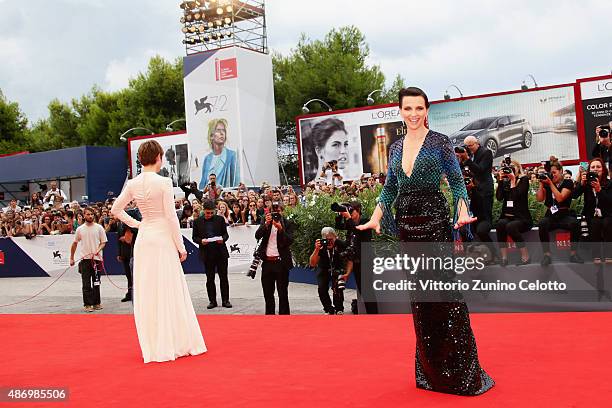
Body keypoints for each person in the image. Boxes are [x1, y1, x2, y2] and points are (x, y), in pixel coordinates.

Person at [357, 87, 494, 395]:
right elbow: (391, 188)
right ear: (401, 111)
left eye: (419, 108)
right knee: (421, 299)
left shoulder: (440, 143)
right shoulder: (395, 148)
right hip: (407, 224)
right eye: (408, 109)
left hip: (433, 221)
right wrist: (378, 216)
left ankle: (460, 372)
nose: (414, 114)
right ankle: (432, 371)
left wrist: (462, 211)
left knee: (445, 296)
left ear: (427, 110)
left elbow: (457, 181)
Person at [111, 140, 206, 363]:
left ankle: (156, 345)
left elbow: (116, 209)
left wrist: (137, 225)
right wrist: (181, 247)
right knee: (169, 287)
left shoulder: (133, 183)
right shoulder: (163, 181)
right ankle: (175, 342)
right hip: (162, 237)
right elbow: (172, 217)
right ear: (158, 158)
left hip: (145, 238)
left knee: (149, 290)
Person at [536, 160, 583, 266]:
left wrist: (550, 184)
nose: (552, 175)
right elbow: (539, 199)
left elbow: (560, 198)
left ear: (561, 171)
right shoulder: (547, 184)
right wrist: (541, 184)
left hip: (564, 214)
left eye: (554, 173)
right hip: (551, 215)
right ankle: (546, 255)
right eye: (550, 173)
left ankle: (573, 254)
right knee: (542, 223)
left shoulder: (568, 182)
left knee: (574, 224)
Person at [456, 136, 496, 262]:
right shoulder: (470, 155)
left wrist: (467, 159)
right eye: (466, 146)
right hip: (475, 194)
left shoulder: (486, 153)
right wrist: (461, 159)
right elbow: (466, 171)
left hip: (484, 193)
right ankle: (472, 256)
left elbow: (480, 170)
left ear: (477, 143)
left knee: (481, 229)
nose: (468, 148)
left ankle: (493, 256)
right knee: (464, 229)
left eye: (470, 145)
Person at [336, 200, 378, 314]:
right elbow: (338, 226)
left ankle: (374, 314)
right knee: (362, 289)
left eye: (351, 211)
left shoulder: (365, 221)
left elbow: (358, 230)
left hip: (366, 260)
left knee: (368, 290)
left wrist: (349, 218)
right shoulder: (350, 224)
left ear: (358, 210)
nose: (350, 213)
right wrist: (339, 214)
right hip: (356, 260)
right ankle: (371, 313)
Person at [255, 201, 294, 315]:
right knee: (267, 293)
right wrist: (266, 224)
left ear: (282, 212)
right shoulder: (265, 221)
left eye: (278, 211)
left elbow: (289, 241)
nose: (276, 214)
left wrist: (281, 229)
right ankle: (270, 316)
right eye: (274, 212)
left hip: (281, 263)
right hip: (267, 262)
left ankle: (284, 317)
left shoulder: (288, 223)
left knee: (282, 293)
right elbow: (257, 236)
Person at [192, 199, 232, 309]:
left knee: (223, 277)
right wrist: (201, 241)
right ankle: (212, 301)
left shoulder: (219, 220)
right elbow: (194, 237)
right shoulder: (197, 222)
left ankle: (225, 300)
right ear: (203, 211)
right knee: (210, 279)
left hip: (220, 252)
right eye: (207, 213)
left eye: (211, 213)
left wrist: (222, 240)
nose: (209, 215)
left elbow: (226, 235)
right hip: (207, 253)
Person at [572, 158, 612, 262]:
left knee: (607, 222)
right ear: (589, 169)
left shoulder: (609, 183)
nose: (595, 169)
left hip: (607, 214)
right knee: (594, 223)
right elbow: (574, 195)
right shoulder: (586, 184)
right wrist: (582, 183)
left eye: (598, 167)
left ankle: (609, 254)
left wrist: (599, 190)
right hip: (591, 215)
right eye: (592, 167)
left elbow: (609, 201)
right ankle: (596, 255)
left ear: (603, 169)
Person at [495, 159, 532, 266]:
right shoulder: (505, 180)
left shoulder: (523, 179)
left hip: (521, 218)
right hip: (507, 216)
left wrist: (512, 181)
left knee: (511, 227)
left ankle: (525, 256)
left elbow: (516, 196)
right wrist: (501, 180)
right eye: (508, 167)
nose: (509, 170)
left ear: (518, 167)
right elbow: (499, 197)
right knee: (500, 224)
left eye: (512, 167)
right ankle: (504, 257)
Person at [69, 207, 107, 313]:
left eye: (92, 214)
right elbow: (75, 243)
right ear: (84, 215)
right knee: (86, 283)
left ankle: (96, 303)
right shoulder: (80, 229)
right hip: (85, 259)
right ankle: (87, 304)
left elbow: (103, 242)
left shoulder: (99, 228)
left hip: (96, 259)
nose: (90, 216)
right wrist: (71, 258)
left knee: (96, 282)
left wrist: (97, 250)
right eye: (88, 214)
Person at [309, 227, 347, 315]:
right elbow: (312, 263)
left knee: (338, 287)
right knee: (321, 288)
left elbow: (350, 259)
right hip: (324, 268)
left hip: (337, 267)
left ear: (336, 237)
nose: (329, 242)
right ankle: (328, 308)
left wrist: (347, 273)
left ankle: (339, 308)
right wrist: (317, 249)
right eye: (326, 240)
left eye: (331, 239)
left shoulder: (340, 244)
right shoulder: (321, 246)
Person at [199, 119, 240, 188]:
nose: (222, 133)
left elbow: (236, 182)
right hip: (208, 196)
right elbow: (203, 183)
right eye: (218, 130)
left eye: (223, 130)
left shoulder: (231, 155)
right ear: (211, 136)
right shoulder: (207, 158)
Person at [307, 118, 349, 183]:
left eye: (345, 144)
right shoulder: (311, 189)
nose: (343, 151)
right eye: (335, 145)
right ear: (319, 151)